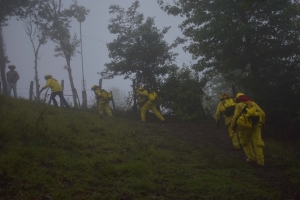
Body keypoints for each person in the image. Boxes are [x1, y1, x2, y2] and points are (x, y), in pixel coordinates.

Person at [231, 93, 266, 166]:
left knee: (244, 142)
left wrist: (233, 126)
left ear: (237, 99)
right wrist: (262, 123)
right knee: (257, 142)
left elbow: (235, 116)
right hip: (256, 125)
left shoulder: (239, 105)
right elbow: (262, 114)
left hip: (244, 127)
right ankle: (261, 162)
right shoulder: (252, 103)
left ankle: (251, 158)